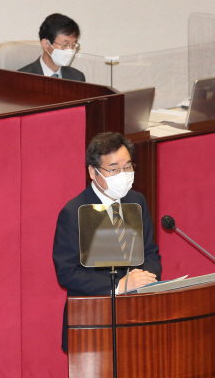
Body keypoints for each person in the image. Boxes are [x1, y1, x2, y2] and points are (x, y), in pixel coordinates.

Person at [52, 132, 161, 352]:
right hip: (92, 319)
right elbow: (67, 272)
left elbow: (150, 253)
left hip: (136, 314)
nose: (123, 175)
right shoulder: (74, 212)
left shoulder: (137, 201)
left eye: (128, 167)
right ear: (93, 172)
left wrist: (145, 279)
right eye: (113, 170)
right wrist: (119, 286)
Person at [18, 13, 86, 82]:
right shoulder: (22, 78)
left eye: (73, 45)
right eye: (65, 45)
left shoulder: (77, 78)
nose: (70, 50)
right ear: (46, 44)